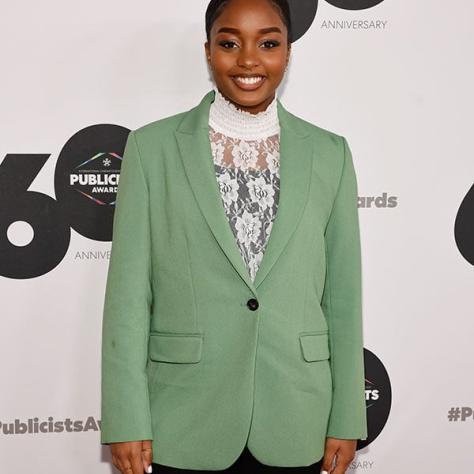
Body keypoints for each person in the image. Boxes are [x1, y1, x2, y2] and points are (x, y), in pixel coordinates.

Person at [100, 0, 368, 473]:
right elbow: (127, 299)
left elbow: (343, 300)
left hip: (296, 417)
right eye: (229, 43)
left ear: (288, 52)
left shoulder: (331, 155)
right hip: (181, 420)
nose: (248, 60)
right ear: (208, 52)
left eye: (268, 43)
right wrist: (125, 418)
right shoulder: (150, 149)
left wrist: (346, 415)